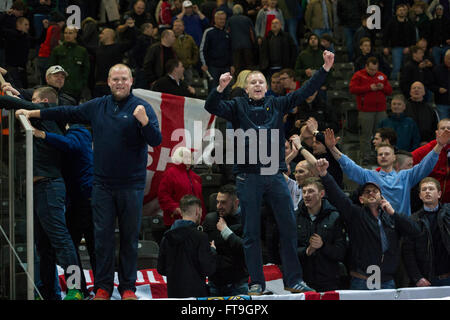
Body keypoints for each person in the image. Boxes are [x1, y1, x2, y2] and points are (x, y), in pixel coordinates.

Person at [16, 64, 162, 300]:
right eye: (115, 79)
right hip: (87, 192)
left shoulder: (86, 127)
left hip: (110, 190)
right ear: (108, 80)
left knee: (109, 241)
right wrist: (32, 113)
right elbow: (64, 112)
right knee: (77, 245)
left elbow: (155, 140)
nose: (120, 83)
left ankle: (114, 288)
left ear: (131, 80)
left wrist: (145, 122)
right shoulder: (91, 110)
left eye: (124, 78)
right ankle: (86, 289)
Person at [204, 49, 335, 295]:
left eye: (261, 81)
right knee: (251, 232)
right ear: (246, 87)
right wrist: (220, 87)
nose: (257, 84)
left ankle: (293, 280)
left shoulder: (277, 103)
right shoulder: (236, 105)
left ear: (266, 87)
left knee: (288, 228)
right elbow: (211, 105)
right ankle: (256, 282)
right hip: (248, 176)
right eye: (252, 81)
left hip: (274, 174)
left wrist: (325, 69)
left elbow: (303, 92)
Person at [0, 86, 82, 300]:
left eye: (34, 101)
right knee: (43, 245)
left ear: (43, 102)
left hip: (49, 186)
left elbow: (17, 103)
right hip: (38, 187)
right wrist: (8, 87)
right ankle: (47, 292)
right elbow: (18, 99)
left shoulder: (48, 112)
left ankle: (75, 288)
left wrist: (7, 95)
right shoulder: (46, 120)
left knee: (60, 239)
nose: (30, 105)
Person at [315, 158, 420, 290]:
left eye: (375, 191)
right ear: (361, 199)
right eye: (367, 192)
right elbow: (338, 197)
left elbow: (415, 230)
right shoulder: (355, 214)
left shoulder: (391, 217)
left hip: (387, 280)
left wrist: (394, 213)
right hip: (362, 279)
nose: (371, 193)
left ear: (382, 197)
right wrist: (325, 174)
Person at [32, 122, 95, 300]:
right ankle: (49, 292)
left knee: (68, 242)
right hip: (70, 197)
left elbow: (71, 145)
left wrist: (43, 135)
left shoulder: (77, 131)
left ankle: (79, 289)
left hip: (86, 197)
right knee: (48, 245)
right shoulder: (58, 133)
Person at [324, 127, 449, 217]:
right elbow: (349, 166)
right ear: (377, 158)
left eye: (387, 154)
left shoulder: (406, 176)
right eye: (380, 154)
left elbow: (425, 166)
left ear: (394, 157)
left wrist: (439, 146)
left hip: (402, 227)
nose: (383, 156)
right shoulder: (370, 176)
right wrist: (332, 148)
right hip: (379, 227)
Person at [157, 195, 217, 298]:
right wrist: (212, 251)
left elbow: (161, 269)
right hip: (196, 295)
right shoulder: (200, 237)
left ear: (181, 211)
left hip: (174, 294)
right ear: (198, 211)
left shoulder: (167, 236)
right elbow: (208, 269)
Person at [296, 177, 347, 292]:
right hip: (301, 281)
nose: (306, 195)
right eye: (304, 192)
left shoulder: (335, 217)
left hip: (329, 281)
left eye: (311, 191)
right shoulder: (295, 217)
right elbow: (286, 251)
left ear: (321, 194)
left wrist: (323, 246)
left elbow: (341, 252)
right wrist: (306, 251)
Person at [402, 177, 450, 287]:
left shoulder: (448, 213)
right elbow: (407, 252)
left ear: (439, 194)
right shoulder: (412, 220)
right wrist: (417, 277)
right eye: (424, 189)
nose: (427, 191)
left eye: (431, 189)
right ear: (420, 196)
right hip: (426, 280)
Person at [202, 184, 248, 296]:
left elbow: (247, 250)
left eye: (223, 202)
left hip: (238, 283)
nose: (218, 206)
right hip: (215, 282)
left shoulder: (247, 220)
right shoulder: (210, 219)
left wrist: (226, 232)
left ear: (236, 202)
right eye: (217, 202)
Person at [349, 56, 392, 166]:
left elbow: (389, 90)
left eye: (375, 69)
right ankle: (366, 157)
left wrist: (383, 87)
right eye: (371, 69)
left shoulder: (382, 76)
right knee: (366, 136)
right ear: (366, 67)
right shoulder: (358, 75)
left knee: (382, 135)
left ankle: (381, 155)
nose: (373, 72)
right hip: (366, 111)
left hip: (381, 110)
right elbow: (352, 89)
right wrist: (369, 87)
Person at [157, 146, 206, 229]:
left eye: (190, 157)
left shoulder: (196, 177)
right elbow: (163, 197)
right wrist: (176, 209)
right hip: (176, 222)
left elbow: (200, 199)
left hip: (195, 221)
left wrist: (202, 216)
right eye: (186, 157)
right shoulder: (169, 174)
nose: (189, 160)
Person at [412, 118, 450, 204]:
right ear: (437, 133)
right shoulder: (427, 149)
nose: (446, 131)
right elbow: (404, 161)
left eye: (449, 128)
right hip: (429, 202)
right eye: (443, 128)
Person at [49, 26, 90, 103]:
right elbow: (51, 68)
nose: (67, 35)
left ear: (75, 35)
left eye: (70, 33)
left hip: (76, 87)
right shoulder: (57, 50)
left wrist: (82, 84)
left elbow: (86, 70)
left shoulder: (82, 51)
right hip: (60, 87)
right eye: (65, 33)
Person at [200, 10, 233, 90]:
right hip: (213, 67)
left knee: (226, 91)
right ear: (215, 19)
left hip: (226, 68)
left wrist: (232, 64)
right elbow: (202, 49)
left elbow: (230, 50)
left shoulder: (227, 33)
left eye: (224, 19)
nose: (222, 21)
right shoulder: (208, 32)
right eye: (220, 19)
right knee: (213, 90)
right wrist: (204, 64)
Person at [382, 3, 417, 80]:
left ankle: (404, 84)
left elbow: (413, 37)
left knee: (406, 68)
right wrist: (385, 47)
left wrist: (409, 47)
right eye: (400, 10)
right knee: (396, 67)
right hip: (396, 48)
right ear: (396, 12)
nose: (402, 12)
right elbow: (386, 35)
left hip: (408, 48)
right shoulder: (391, 23)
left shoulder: (410, 23)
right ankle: (394, 84)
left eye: (403, 10)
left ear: (406, 12)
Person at [227, 4, 257, 75]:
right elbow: (252, 33)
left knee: (237, 67)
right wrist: (254, 44)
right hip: (247, 46)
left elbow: (227, 33)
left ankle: (238, 83)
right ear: (242, 10)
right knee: (249, 66)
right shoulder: (247, 19)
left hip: (235, 46)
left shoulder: (230, 20)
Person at [171, 18, 199, 86]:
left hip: (187, 67)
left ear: (183, 27)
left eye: (179, 25)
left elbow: (195, 51)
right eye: (175, 25)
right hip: (173, 68)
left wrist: (192, 62)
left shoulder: (189, 38)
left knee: (187, 86)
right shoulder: (170, 37)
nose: (177, 27)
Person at [430, 49, 450, 120]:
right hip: (442, 103)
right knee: (443, 125)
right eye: (448, 59)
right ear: (444, 58)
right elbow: (430, 84)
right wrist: (438, 89)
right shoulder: (437, 69)